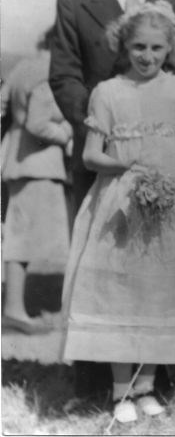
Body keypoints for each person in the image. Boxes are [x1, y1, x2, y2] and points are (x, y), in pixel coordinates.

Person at [49, 0, 175, 398]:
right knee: (102, 269)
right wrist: (103, 126)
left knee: (156, 265)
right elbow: (65, 74)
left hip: (163, 164)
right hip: (105, 156)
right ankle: (97, 385)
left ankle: (153, 383)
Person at [60, 1, 175, 423]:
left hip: (173, 204)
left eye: (158, 48)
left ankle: (147, 387)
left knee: (159, 292)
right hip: (119, 205)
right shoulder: (109, 92)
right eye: (139, 47)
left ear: (172, 48)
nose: (148, 56)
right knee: (122, 292)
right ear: (123, 46)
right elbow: (91, 156)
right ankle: (121, 391)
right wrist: (124, 164)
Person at [1, 28, 72, 333]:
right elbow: (38, 123)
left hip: (16, 159)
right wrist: (66, 132)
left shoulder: (22, 67)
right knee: (24, 239)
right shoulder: (47, 72)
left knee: (20, 235)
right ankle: (15, 311)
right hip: (38, 165)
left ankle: (15, 308)